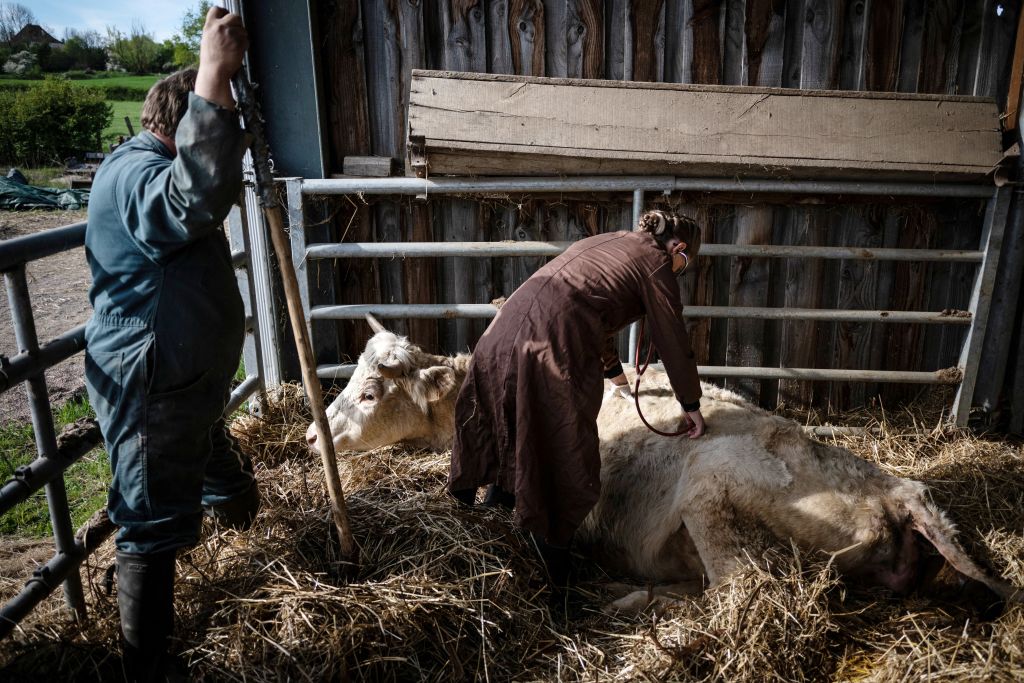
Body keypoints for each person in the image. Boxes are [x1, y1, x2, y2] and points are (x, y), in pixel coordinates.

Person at [83, 8, 258, 681]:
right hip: (155, 385)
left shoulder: (145, 165)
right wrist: (214, 71)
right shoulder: (136, 174)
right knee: (151, 522)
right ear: (182, 125)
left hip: (190, 385)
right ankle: (146, 663)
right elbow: (192, 200)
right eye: (213, 125)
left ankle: (255, 543)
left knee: (220, 469)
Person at [449, 209, 705, 584]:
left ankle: (463, 550)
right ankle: (549, 578)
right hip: (549, 350)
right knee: (562, 451)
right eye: (685, 262)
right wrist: (691, 403)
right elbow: (671, 335)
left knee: (499, 428)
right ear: (678, 248)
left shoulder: (606, 242)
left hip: (498, 339)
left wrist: (616, 376)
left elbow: (587, 311)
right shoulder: (655, 262)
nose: (681, 269)